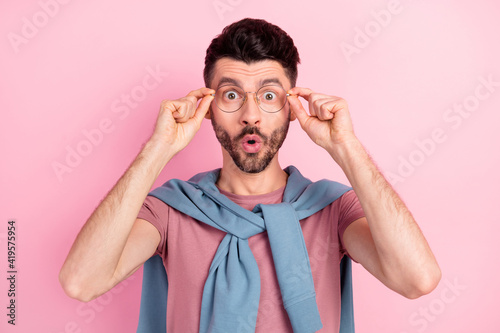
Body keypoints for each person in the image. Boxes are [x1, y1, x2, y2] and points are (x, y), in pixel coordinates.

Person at [59, 18, 441, 332]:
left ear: (292, 107)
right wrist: (159, 148)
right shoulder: (171, 211)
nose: (251, 115)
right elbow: (81, 282)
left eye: (270, 95)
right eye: (231, 95)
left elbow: (417, 280)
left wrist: (346, 147)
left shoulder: (332, 209)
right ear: (207, 107)